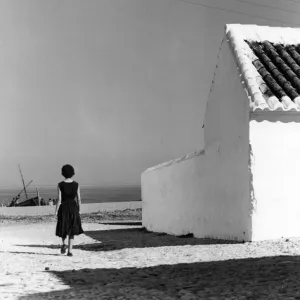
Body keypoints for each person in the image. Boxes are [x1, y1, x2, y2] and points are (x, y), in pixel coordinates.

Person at [55, 164, 84, 256]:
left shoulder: (60, 185)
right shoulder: (76, 185)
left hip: (63, 207)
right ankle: (70, 251)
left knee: (63, 227)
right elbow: (79, 199)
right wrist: (79, 210)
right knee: (72, 229)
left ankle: (64, 244)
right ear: (72, 173)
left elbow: (59, 199)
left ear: (63, 173)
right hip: (73, 207)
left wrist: (56, 211)